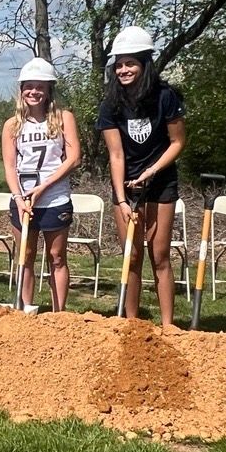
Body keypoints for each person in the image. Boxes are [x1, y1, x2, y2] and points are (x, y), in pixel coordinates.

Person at [97, 26, 186, 325]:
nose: (123, 69)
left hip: (161, 182)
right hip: (127, 186)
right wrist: (121, 199)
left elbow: (177, 143)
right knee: (131, 257)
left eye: (130, 63)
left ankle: (168, 326)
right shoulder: (110, 104)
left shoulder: (166, 97)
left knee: (159, 256)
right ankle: (131, 323)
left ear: (145, 63)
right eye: (119, 64)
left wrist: (152, 170)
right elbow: (116, 154)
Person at [2, 57, 81, 312]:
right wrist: (17, 197)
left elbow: (73, 158)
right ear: (21, 89)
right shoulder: (12, 125)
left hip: (55, 197)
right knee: (25, 257)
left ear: (48, 90)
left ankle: (59, 313)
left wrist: (44, 186)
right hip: (23, 200)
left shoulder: (63, 118)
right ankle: (28, 309)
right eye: (29, 86)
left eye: (40, 86)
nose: (34, 92)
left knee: (56, 257)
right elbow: (10, 166)